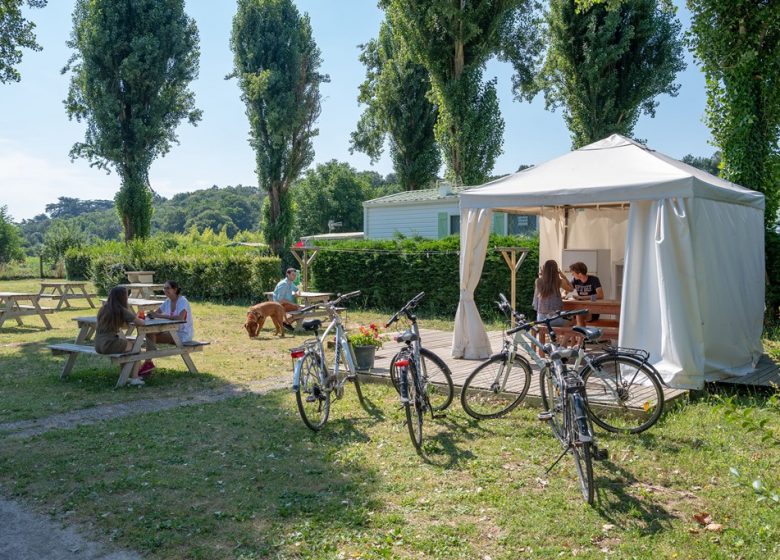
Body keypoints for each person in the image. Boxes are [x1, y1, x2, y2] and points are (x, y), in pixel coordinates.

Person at [95, 286, 147, 386]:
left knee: (127, 347)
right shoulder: (120, 309)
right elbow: (141, 323)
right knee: (136, 347)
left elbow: (121, 326)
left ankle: (125, 375)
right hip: (109, 344)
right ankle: (135, 378)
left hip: (98, 344)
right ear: (123, 297)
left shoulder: (103, 309)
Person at [143, 280, 194, 375]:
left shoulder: (183, 301)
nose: (165, 290)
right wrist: (150, 314)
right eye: (164, 288)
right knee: (149, 334)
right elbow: (157, 312)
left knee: (150, 336)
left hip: (182, 334)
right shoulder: (167, 301)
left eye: (167, 288)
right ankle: (148, 362)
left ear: (175, 290)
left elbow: (180, 318)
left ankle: (148, 362)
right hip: (170, 331)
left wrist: (159, 316)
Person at [532, 259, 574, 327]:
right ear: (556, 270)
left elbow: (536, 299)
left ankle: (559, 337)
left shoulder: (538, 281)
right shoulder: (559, 281)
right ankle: (565, 338)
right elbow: (571, 289)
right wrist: (564, 277)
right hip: (555, 319)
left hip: (540, 319)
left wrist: (542, 275)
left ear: (544, 269)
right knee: (573, 321)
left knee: (565, 317)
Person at [569, 261, 604, 326]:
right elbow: (566, 291)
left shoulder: (594, 279)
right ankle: (578, 334)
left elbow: (600, 295)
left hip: (593, 309)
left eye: (573, 273)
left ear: (579, 274)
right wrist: (564, 295)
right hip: (580, 308)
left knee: (578, 315)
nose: (572, 275)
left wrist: (583, 298)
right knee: (569, 316)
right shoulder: (575, 280)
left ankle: (581, 335)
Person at [272, 268, 300, 332]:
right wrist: (294, 304)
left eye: (295, 275)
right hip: (279, 306)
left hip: (286, 304)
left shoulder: (290, 283)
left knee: (302, 309)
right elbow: (280, 300)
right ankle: (285, 323)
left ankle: (285, 323)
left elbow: (296, 289)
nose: (294, 276)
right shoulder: (284, 284)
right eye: (293, 275)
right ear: (287, 274)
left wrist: (297, 292)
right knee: (301, 309)